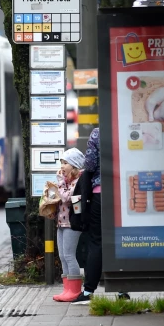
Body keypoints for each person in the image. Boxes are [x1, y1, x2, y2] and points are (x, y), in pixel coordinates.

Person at [72, 128, 102, 305]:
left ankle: (89, 290)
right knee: (119, 240)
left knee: (96, 241)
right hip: (124, 193)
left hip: (99, 195)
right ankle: (123, 289)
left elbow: (89, 165)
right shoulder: (126, 129)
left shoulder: (97, 133)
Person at [53, 147, 85, 302]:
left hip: (72, 223)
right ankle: (67, 289)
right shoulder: (66, 182)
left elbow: (67, 198)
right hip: (61, 223)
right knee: (62, 256)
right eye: (61, 163)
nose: (62, 167)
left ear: (74, 165)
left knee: (69, 255)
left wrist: (60, 184)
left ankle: (75, 290)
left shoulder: (78, 181)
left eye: (65, 163)